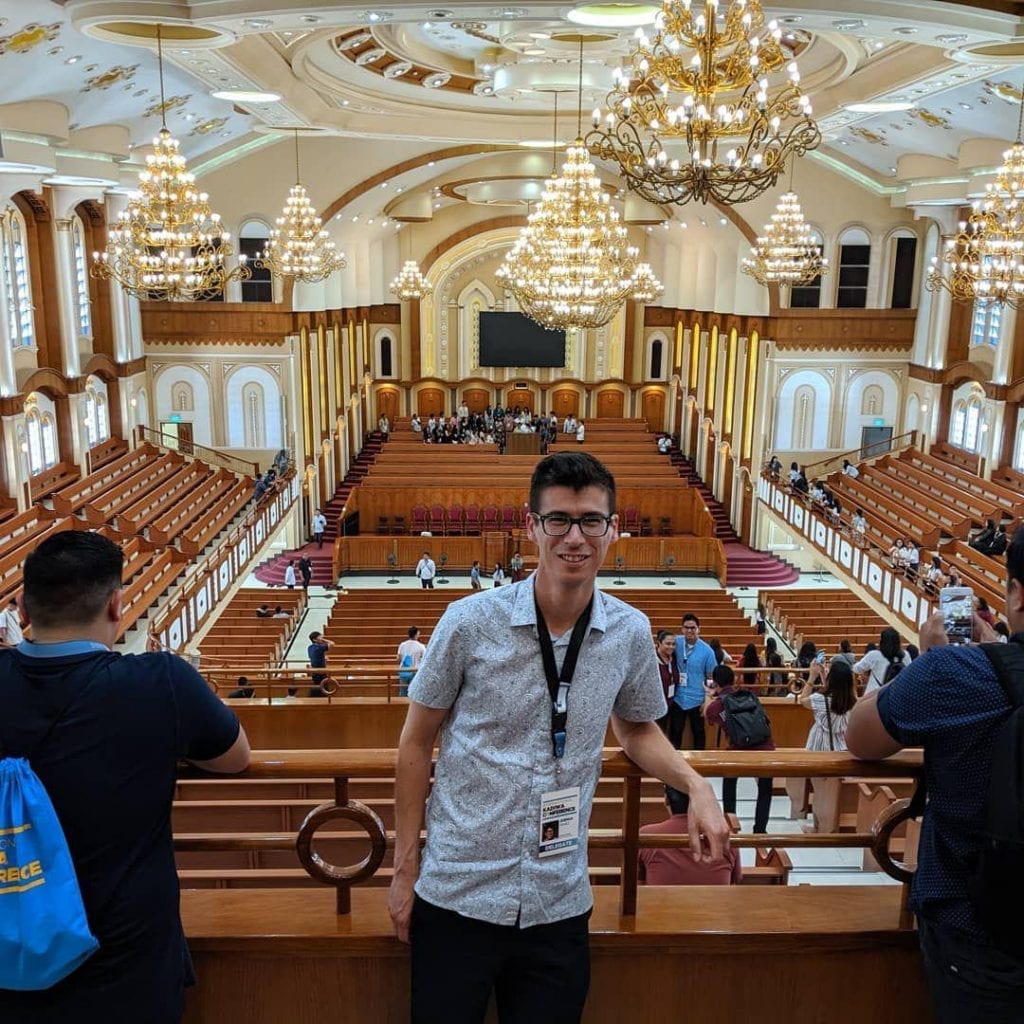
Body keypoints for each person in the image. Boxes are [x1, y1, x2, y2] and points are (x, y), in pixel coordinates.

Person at [389, 451, 729, 1023]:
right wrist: (404, 871)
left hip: (557, 898)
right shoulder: (469, 621)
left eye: (591, 520)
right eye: (559, 520)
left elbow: (638, 728)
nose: (575, 537)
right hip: (457, 892)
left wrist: (696, 785)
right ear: (532, 526)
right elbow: (416, 741)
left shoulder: (628, 631)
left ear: (613, 530)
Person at [0, 531, 249, 1022]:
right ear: (116, 604)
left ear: (23, 610)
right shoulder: (160, 683)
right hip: (128, 971)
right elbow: (235, 758)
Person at [846, 526, 1024, 1023]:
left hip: (977, 930)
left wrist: (930, 660)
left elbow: (860, 736)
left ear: (1016, 593)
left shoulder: (954, 673)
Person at [705, 664, 775, 833]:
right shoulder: (750, 695)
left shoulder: (717, 705)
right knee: (765, 789)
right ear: (734, 679)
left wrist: (709, 695)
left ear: (715, 682)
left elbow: (708, 716)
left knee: (729, 784)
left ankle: (731, 824)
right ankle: (760, 829)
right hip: (765, 746)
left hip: (737, 749)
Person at [796, 657, 856, 833]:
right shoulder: (852, 700)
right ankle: (828, 823)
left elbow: (803, 699)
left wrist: (812, 677)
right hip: (841, 746)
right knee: (831, 791)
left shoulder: (820, 699)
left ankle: (818, 826)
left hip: (819, 747)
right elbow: (834, 693)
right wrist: (824, 677)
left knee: (819, 790)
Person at [639, 787, 742, 886]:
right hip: (713, 903)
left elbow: (638, 884)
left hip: (660, 903)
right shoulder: (724, 837)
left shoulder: (647, 835)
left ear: (666, 800)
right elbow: (733, 883)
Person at [670, 612, 718, 751]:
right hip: (677, 697)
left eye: (693, 628)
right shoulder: (675, 643)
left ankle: (700, 762)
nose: (689, 630)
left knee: (698, 732)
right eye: (686, 627)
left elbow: (711, 677)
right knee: (675, 731)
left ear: (698, 629)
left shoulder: (707, 651)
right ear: (682, 629)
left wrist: (707, 699)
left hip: (697, 699)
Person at [853, 626, 910, 694]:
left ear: (882, 641)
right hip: (896, 695)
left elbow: (857, 669)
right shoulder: (905, 655)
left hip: (875, 695)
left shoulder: (874, 655)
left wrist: (854, 663)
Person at [654, 628, 678, 734]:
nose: (671, 647)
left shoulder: (673, 658)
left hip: (671, 703)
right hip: (655, 706)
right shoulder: (652, 661)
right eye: (667, 644)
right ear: (659, 643)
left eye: (673, 644)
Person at [397, 626, 427, 698]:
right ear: (416, 634)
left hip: (403, 670)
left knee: (402, 692)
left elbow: (398, 658)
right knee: (413, 693)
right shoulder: (421, 646)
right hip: (415, 670)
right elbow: (425, 658)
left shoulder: (402, 645)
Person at [306, 631, 334, 697]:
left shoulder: (310, 647)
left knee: (317, 688)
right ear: (314, 639)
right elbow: (332, 643)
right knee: (323, 690)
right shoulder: (319, 647)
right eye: (320, 637)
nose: (322, 638)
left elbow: (314, 656)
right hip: (321, 673)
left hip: (314, 673)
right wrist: (324, 640)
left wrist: (323, 658)